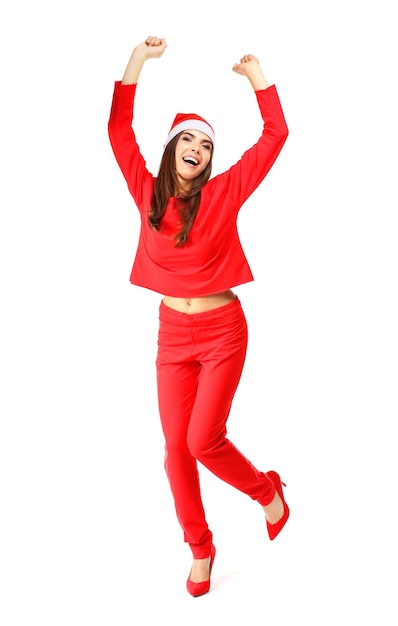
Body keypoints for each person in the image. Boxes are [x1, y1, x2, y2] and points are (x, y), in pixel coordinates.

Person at [108, 35, 290, 597]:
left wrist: (258, 79)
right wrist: (136, 63)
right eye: (186, 139)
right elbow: (118, 132)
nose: (196, 148)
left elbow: (274, 136)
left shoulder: (223, 195)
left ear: (209, 159)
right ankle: (200, 547)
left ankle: (266, 492)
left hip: (221, 332)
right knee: (175, 449)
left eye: (204, 144)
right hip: (171, 334)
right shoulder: (146, 193)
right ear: (171, 150)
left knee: (203, 439)